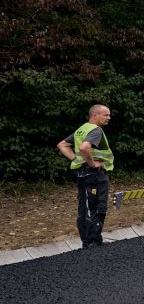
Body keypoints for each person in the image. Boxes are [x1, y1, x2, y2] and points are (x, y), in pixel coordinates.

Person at [56, 104, 114, 248]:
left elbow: (62, 145)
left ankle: (87, 242)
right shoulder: (95, 130)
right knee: (96, 207)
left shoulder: (81, 130)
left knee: (84, 208)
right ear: (95, 115)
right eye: (106, 115)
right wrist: (92, 163)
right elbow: (84, 148)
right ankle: (94, 243)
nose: (109, 118)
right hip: (95, 175)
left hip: (82, 174)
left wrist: (76, 160)